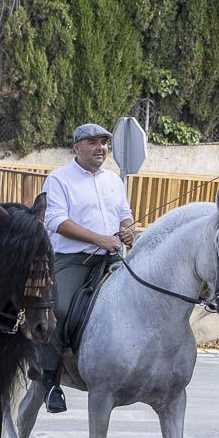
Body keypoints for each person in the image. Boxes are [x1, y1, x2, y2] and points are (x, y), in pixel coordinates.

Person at [38, 123, 135, 414]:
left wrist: (127, 231)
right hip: (73, 260)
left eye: (104, 143)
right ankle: (50, 381)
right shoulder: (59, 179)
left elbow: (125, 217)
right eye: (92, 142)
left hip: (113, 257)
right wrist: (99, 239)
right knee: (59, 308)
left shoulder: (114, 180)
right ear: (76, 146)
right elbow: (56, 221)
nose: (100, 148)